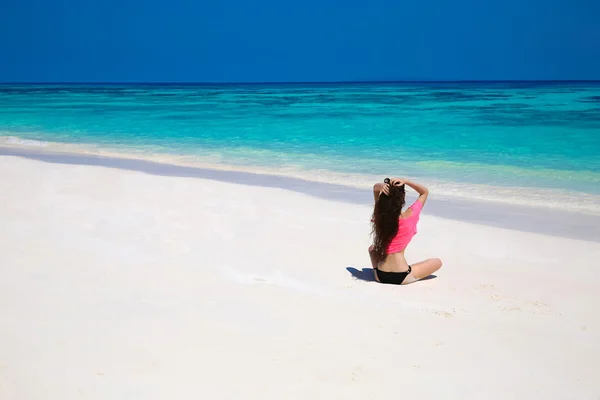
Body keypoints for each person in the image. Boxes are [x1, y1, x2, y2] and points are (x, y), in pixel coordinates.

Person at [369, 177, 442, 285]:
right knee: (437, 262)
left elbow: (375, 188)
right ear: (402, 197)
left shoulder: (380, 216)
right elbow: (424, 192)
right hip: (402, 275)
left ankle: (375, 270)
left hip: (380, 275)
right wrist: (406, 181)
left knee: (372, 248)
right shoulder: (410, 216)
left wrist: (381, 187)